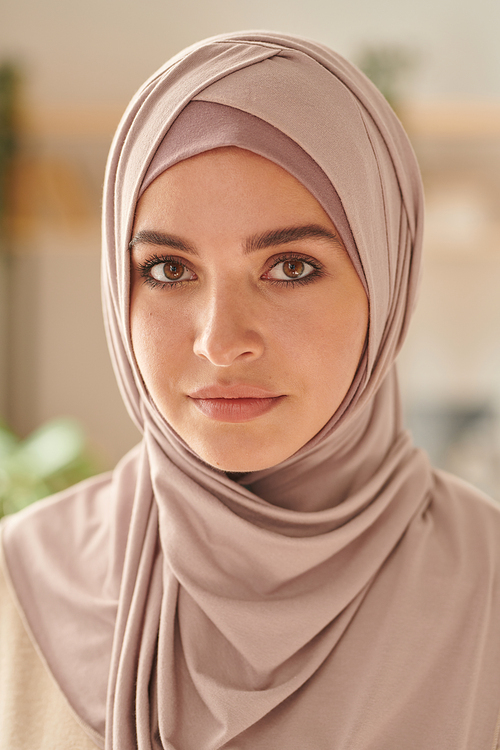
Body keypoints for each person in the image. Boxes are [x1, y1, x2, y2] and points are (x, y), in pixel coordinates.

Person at [1, 30, 500, 750]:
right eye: (169, 270)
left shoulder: (485, 591)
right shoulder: (19, 590)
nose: (219, 340)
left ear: (388, 284)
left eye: (291, 266)